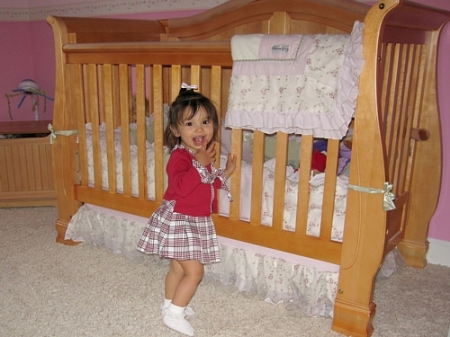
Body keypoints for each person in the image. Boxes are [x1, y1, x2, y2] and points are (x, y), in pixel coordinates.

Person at [136, 84, 237, 336]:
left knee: (178, 268)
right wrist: (200, 165)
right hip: (179, 219)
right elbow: (181, 186)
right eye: (190, 124)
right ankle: (174, 314)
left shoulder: (199, 155)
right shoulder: (180, 157)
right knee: (195, 271)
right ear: (175, 130)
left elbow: (206, 181)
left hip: (193, 219)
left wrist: (224, 173)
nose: (200, 129)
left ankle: (169, 304)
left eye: (205, 121)